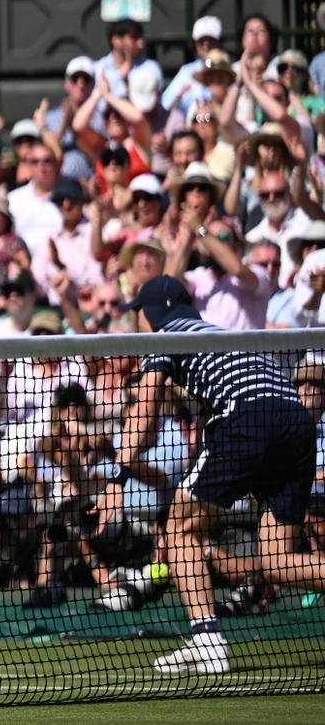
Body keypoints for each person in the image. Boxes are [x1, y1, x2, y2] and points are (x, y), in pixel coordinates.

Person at [101, 277, 325, 673]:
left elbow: (144, 416)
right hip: (298, 423)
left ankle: (207, 643)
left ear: (149, 314)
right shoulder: (221, 334)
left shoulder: (167, 334)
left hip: (248, 417)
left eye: (136, 312)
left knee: (181, 528)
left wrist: (117, 478)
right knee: (277, 561)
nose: (134, 321)